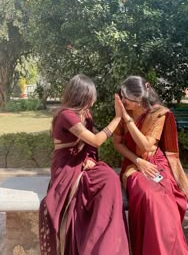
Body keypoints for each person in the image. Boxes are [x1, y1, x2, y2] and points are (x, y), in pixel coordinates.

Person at [113, 75, 188, 255]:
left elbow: (147, 145)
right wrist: (138, 161)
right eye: (122, 96)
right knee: (148, 195)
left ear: (139, 98)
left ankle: (170, 249)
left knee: (166, 197)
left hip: (157, 162)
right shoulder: (125, 112)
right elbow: (117, 143)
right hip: (134, 163)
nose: (123, 100)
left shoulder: (158, 113)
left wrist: (127, 118)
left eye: (126, 97)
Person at [39, 74, 129, 255]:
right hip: (66, 167)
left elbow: (90, 147)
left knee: (110, 178)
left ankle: (105, 241)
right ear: (81, 96)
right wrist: (118, 118)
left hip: (83, 162)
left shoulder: (86, 114)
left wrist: (90, 158)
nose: (93, 101)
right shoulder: (66, 115)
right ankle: (91, 243)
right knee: (100, 185)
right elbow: (95, 140)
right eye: (91, 97)